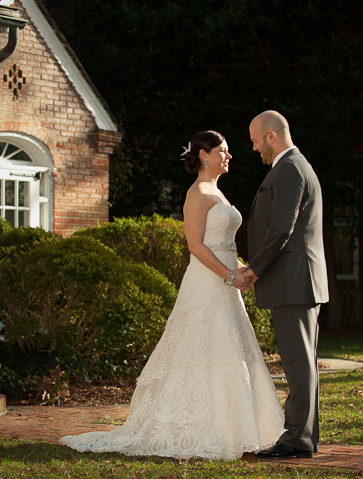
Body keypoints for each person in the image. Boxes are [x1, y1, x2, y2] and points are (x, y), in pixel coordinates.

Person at [60, 131, 285, 460]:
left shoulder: (218, 193)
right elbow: (195, 246)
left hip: (224, 284)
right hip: (206, 285)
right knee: (201, 349)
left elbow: (223, 247)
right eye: (223, 151)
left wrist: (244, 271)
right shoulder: (197, 192)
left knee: (228, 351)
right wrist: (230, 276)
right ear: (204, 155)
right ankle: (197, 427)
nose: (229, 156)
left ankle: (239, 428)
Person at [244, 111, 329, 459]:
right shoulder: (290, 166)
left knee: (297, 364)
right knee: (301, 363)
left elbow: (281, 228)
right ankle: (303, 438)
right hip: (296, 281)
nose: (253, 148)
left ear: (271, 136)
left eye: (254, 140)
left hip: (295, 281)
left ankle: (295, 440)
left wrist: (254, 270)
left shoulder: (290, 168)